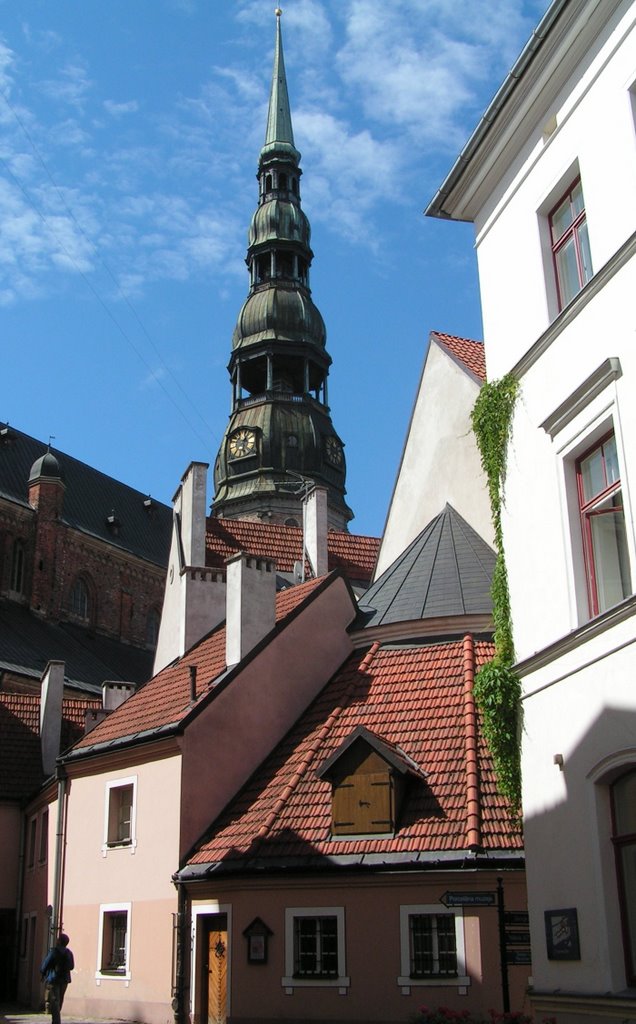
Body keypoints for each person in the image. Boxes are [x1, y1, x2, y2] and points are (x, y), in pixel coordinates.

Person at [40, 933, 74, 1024]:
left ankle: (56, 1021)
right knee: (59, 1000)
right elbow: (72, 966)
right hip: (65, 980)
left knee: (55, 1001)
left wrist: (43, 974)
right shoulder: (69, 953)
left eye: (58, 939)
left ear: (59, 941)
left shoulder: (53, 952)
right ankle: (56, 1019)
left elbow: (45, 965)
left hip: (54, 979)